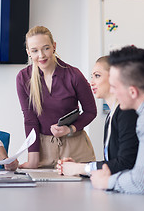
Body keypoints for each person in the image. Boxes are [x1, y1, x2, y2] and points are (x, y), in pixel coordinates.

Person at [16, 26, 97, 169]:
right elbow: (30, 120)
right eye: (35, 51)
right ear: (28, 52)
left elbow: (91, 111)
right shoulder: (23, 78)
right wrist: (33, 159)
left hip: (76, 149)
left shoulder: (74, 75)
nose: (41, 55)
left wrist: (70, 129)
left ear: (54, 46)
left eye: (46, 48)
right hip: (43, 151)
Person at [90, 46, 144, 194]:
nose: (112, 91)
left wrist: (105, 181)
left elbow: (142, 183)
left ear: (132, 92)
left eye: (114, 86)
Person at [57, 56, 139, 176]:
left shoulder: (127, 113)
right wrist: (78, 167)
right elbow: (111, 163)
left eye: (97, 76)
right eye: (92, 77)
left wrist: (81, 168)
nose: (92, 83)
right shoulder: (112, 115)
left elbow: (125, 163)